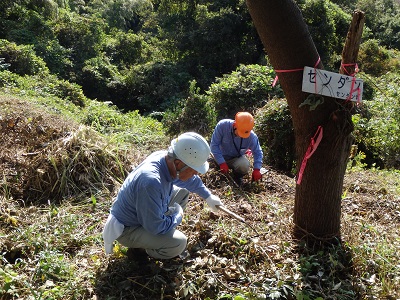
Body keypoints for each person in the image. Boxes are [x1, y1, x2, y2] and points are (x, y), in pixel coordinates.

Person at [102, 132, 223, 260]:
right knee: (179, 243)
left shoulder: (166, 159)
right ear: (178, 164)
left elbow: (189, 180)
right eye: (193, 171)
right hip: (129, 228)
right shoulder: (151, 182)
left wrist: (208, 196)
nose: (195, 175)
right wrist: (177, 216)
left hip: (145, 212)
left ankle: (159, 237)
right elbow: (155, 227)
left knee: (182, 193)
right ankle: (143, 251)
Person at [210, 112, 263, 185]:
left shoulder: (252, 137)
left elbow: (258, 152)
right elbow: (214, 145)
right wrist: (221, 162)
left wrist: (257, 169)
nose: (242, 136)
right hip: (219, 156)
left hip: (235, 159)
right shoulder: (223, 126)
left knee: (244, 165)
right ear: (235, 125)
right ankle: (220, 170)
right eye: (240, 132)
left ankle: (237, 177)